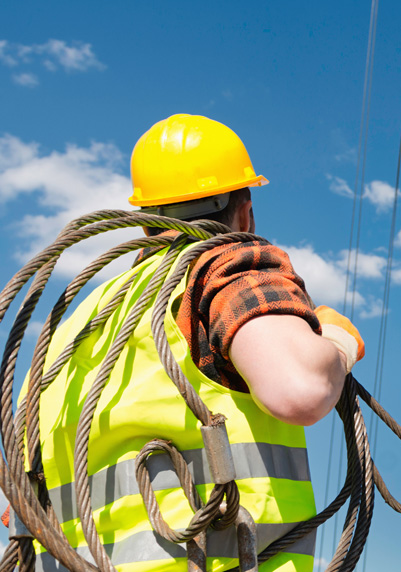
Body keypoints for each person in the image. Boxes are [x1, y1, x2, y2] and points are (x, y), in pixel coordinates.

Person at [25, 114, 364, 571]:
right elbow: (300, 389)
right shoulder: (226, 266)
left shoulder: (79, 325)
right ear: (244, 208)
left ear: (145, 223)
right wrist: (339, 341)